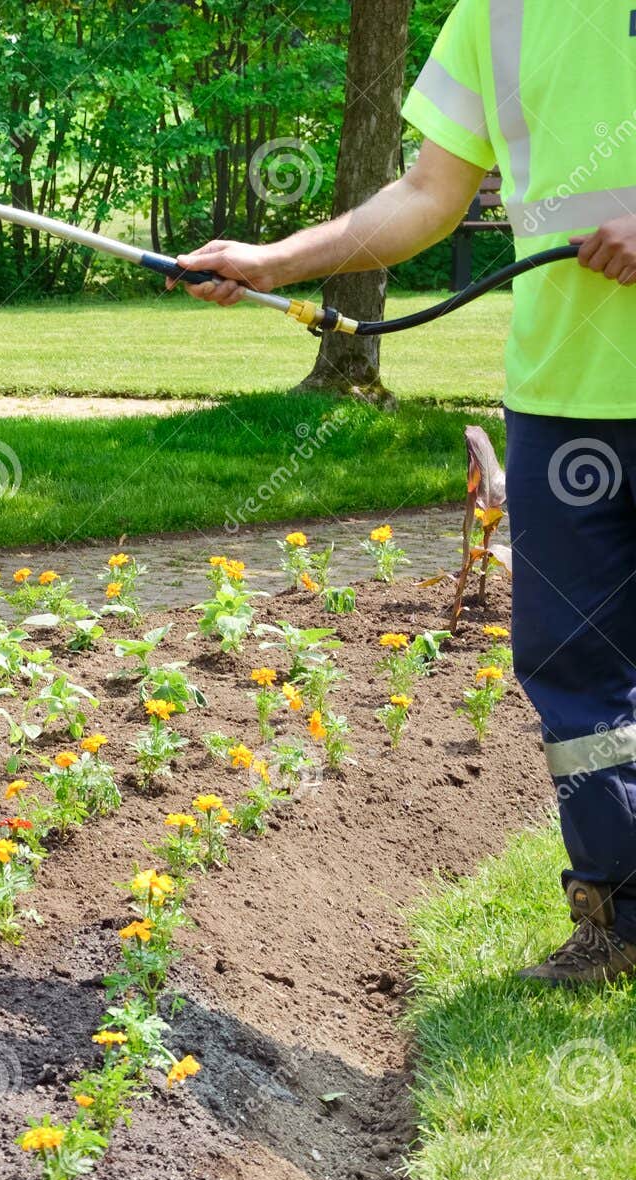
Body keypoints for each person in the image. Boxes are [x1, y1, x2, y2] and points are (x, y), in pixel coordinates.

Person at [171, 0, 636, 984]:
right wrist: (274, 260)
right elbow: (427, 196)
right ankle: (618, 917)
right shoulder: (497, 13)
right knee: (571, 670)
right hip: (563, 400)